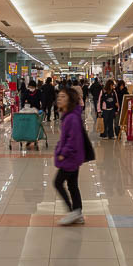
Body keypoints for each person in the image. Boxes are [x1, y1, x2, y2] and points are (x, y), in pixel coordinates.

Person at [54, 87, 86, 225]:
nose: (59, 99)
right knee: (73, 185)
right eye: (59, 97)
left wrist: (62, 153)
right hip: (73, 157)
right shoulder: (69, 115)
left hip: (69, 158)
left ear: (70, 100)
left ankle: (73, 212)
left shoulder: (71, 118)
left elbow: (72, 140)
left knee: (58, 183)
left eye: (63, 97)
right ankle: (77, 212)